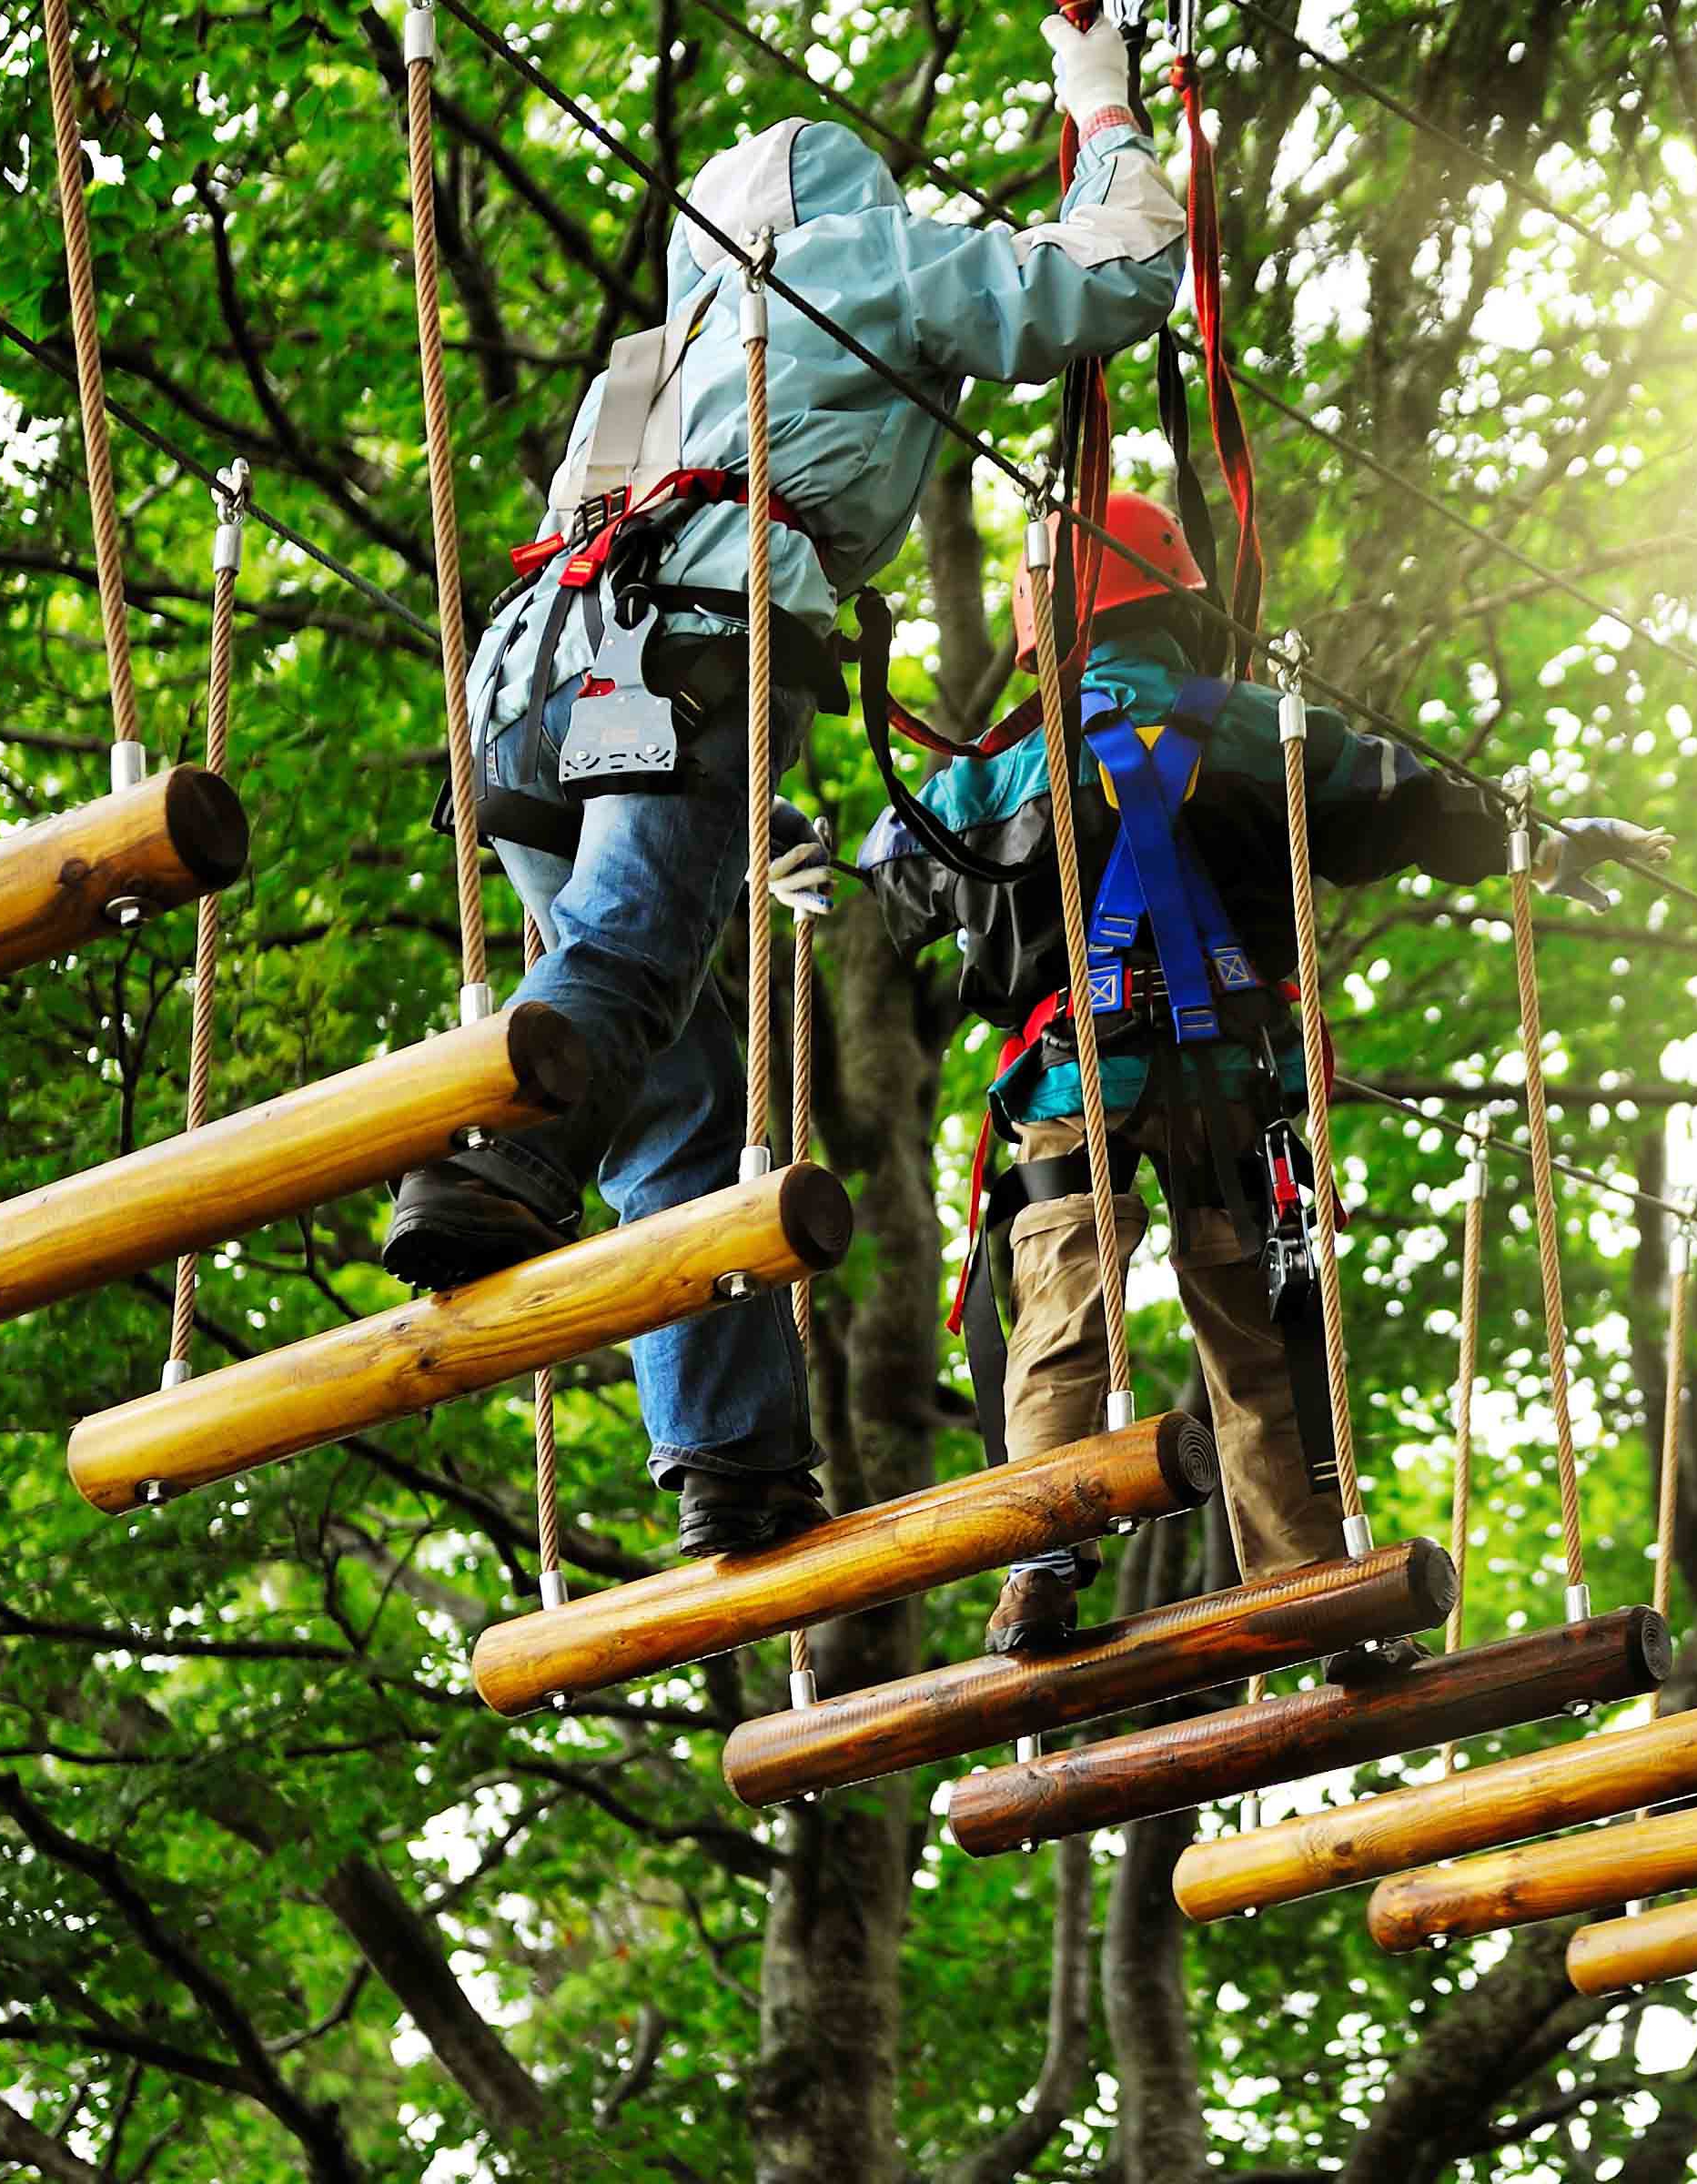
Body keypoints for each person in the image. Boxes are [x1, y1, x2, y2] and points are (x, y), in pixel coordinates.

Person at [379, 15, 1185, 1560]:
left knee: (677, 1089)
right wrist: (1097, 96)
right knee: (632, 952)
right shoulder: (849, 263)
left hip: (525, 699)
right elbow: (1118, 272)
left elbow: (621, 588)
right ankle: (495, 1153)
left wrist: (750, 815)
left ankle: (731, 1456)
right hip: (689, 648)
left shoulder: (646, 363)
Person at [857, 489, 1670, 1667]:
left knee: (1062, 1302)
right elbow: (1415, 804)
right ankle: (1311, 1588)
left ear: (1046, 636)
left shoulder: (995, 775)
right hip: (1233, 1080)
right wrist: (1539, 842)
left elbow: (893, 871)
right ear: (1187, 611)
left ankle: (1039, 1564)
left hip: (1075, 1082)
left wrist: (795, 855)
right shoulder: (1268, 731)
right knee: (1264, 1339)